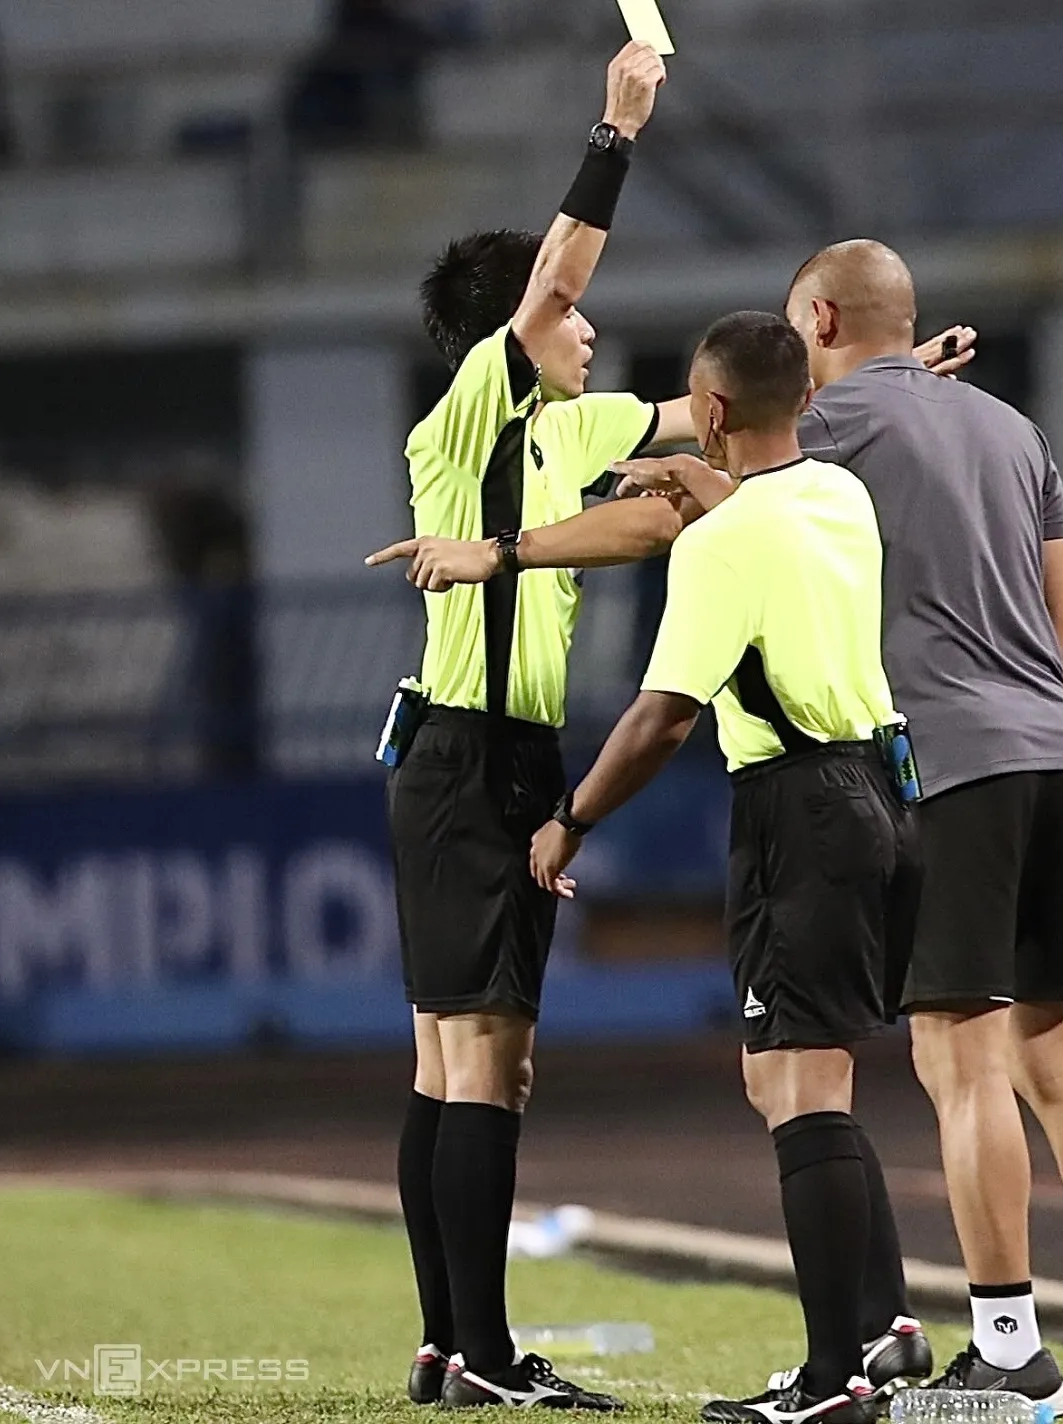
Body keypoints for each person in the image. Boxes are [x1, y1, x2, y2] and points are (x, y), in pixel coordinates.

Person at [782, 240, 1063, 1412]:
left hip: (949, 760)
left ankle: (1009, 1344)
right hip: (1052, 750)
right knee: (1054, 1050)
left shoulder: (828, 428)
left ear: (818, 318)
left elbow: (733, 468)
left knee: (957, 1062)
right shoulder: (1014, 428)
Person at [525, 311, 920, 1424]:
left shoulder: (719, 545)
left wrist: (572, 818)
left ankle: (835, 1375)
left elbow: (660, 718)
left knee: (803, 1086)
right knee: (794, 1077)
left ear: (709, 410)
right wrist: (700, 474)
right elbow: (758, 501)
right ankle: (883, 1328)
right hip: (881, 794)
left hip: (798, 810)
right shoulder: (839, 494)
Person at [365, 41, 685, 1412]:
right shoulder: (467, 418)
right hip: (465, 755)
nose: (592, 329)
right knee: (479, 1051)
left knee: (457, 1053)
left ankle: (449, 1348)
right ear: (515, 331)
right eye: (569, 319)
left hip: (494, 759)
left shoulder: (577, 419)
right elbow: (559, 278)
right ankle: (487, 1356)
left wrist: (887, 376)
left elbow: (727, 417)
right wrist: (613, 131)